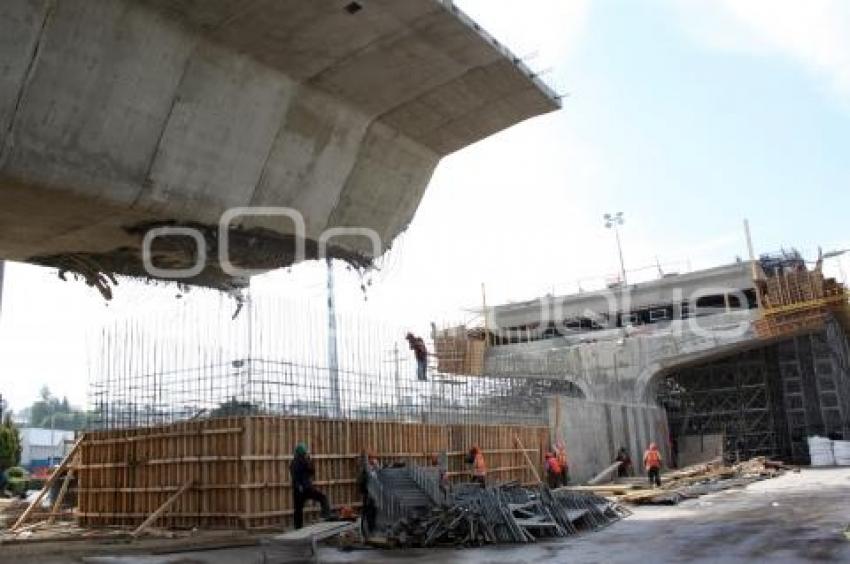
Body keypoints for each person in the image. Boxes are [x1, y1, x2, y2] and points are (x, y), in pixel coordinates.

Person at [289, 442, 331, 529]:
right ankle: (325, 515)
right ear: (304, 453)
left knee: (298, 510)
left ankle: (298, 528)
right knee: (323, 498)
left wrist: (298, 486)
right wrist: (309, 460)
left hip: (298, 490)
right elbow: (312, 471)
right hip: (306, 488)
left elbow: (294, 476)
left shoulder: (293, 463)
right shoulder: (305, 461)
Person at [357, 451, 379, 539]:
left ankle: (371, 530)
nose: (374, 460)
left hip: (374, 495)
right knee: (368, 512)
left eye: (374, 458)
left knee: (373, 512)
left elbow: (378, 473)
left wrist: (376, 465)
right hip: (368, 494)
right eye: (372, 458)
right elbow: (367, 473)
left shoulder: (374, 468)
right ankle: (369, 532)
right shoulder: (365, 469)